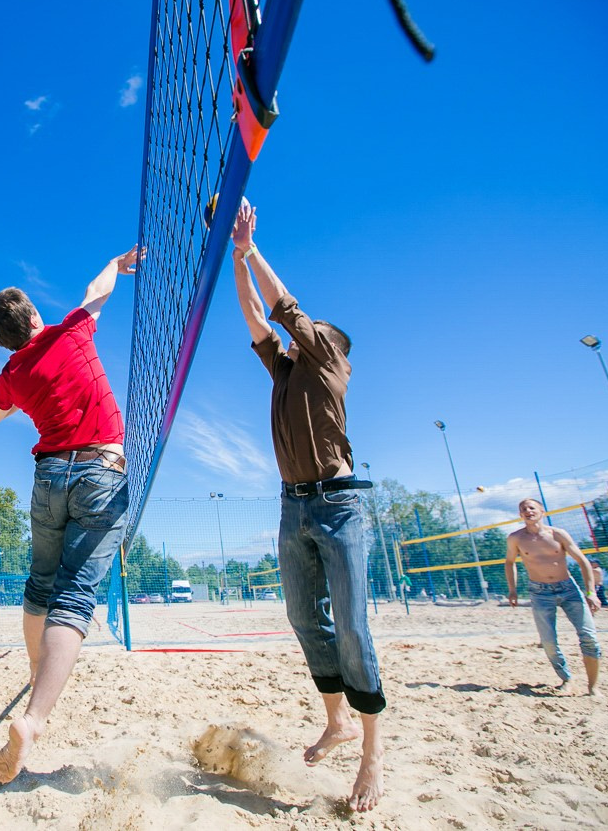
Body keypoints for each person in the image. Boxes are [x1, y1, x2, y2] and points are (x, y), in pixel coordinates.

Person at [229, 200, 384, 812]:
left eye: (306, 335)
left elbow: (284, 307)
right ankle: (337, 721)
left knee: (352, 625)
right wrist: (235, 258)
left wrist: (252, 248)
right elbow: (255, 314)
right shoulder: (286, 372)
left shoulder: (329, 364)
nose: (294, 340)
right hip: (293, 507)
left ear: (327, 346)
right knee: (303, 618)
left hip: (338, 506)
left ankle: (372, 754)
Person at [0, 244, 140, 784]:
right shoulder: (70, 332)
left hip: (49, 475)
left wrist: (16, 391)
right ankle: (33, 719)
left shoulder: (13, 370)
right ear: (32, 317)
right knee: (75, 595)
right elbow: (97, 294)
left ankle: (36, 672)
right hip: (100, 469)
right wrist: (116, 265)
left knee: (40, 584)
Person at [505, 498, 602, 694]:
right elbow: (509, 562)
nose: (528, 511)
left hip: (568, 588)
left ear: (542, 511)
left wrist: (591, 592)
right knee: (548, 642)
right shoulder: (516, 538)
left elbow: (582, 561)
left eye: (532, 507)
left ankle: (593, 687)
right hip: (539, 592)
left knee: (589, 637)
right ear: (520, 515)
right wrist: (512, 590)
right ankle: (566, 679)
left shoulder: (557, 534)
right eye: (523, 509)